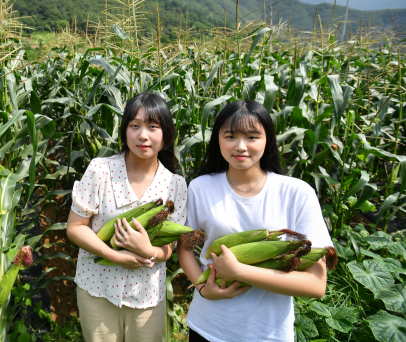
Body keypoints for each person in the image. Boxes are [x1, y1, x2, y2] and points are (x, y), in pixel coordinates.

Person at [178, 100, 333, 342]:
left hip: (267, 333)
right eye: (230, 136)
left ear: (268, 140)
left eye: (252, 137)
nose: (240, 146)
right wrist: (203, 289)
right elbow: (185, 250)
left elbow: (316, 285)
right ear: (217, 139)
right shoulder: (200, 187)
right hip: (208, 327)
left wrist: (239, 271)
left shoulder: (297, 193)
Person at [66, 93, 187, 342]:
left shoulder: (175, 185)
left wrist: (149, 251)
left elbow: (168, 249)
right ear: (124, 131)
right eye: (135, 126)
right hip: (97, 288)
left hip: (146, 296)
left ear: (165, 135)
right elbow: (75, 227)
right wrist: (114, 256)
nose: (143, 135)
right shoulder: (101, 170)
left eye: (153, 127)